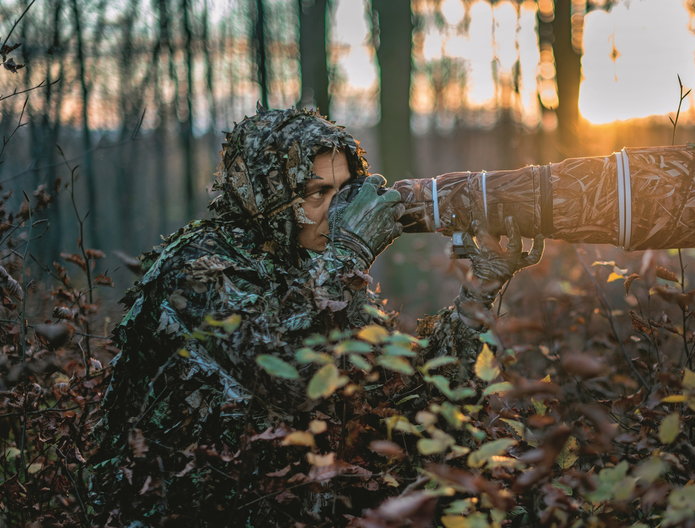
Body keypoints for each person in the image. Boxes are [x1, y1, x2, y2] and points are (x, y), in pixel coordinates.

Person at [89, 107, 542, 526]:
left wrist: (477, 294)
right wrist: (351, 253)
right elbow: (288, 382)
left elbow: (413, 401)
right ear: (265, 194)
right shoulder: (197, 267)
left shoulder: (321, 270)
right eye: (316, 193)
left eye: (343, 192)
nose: (336, 211)